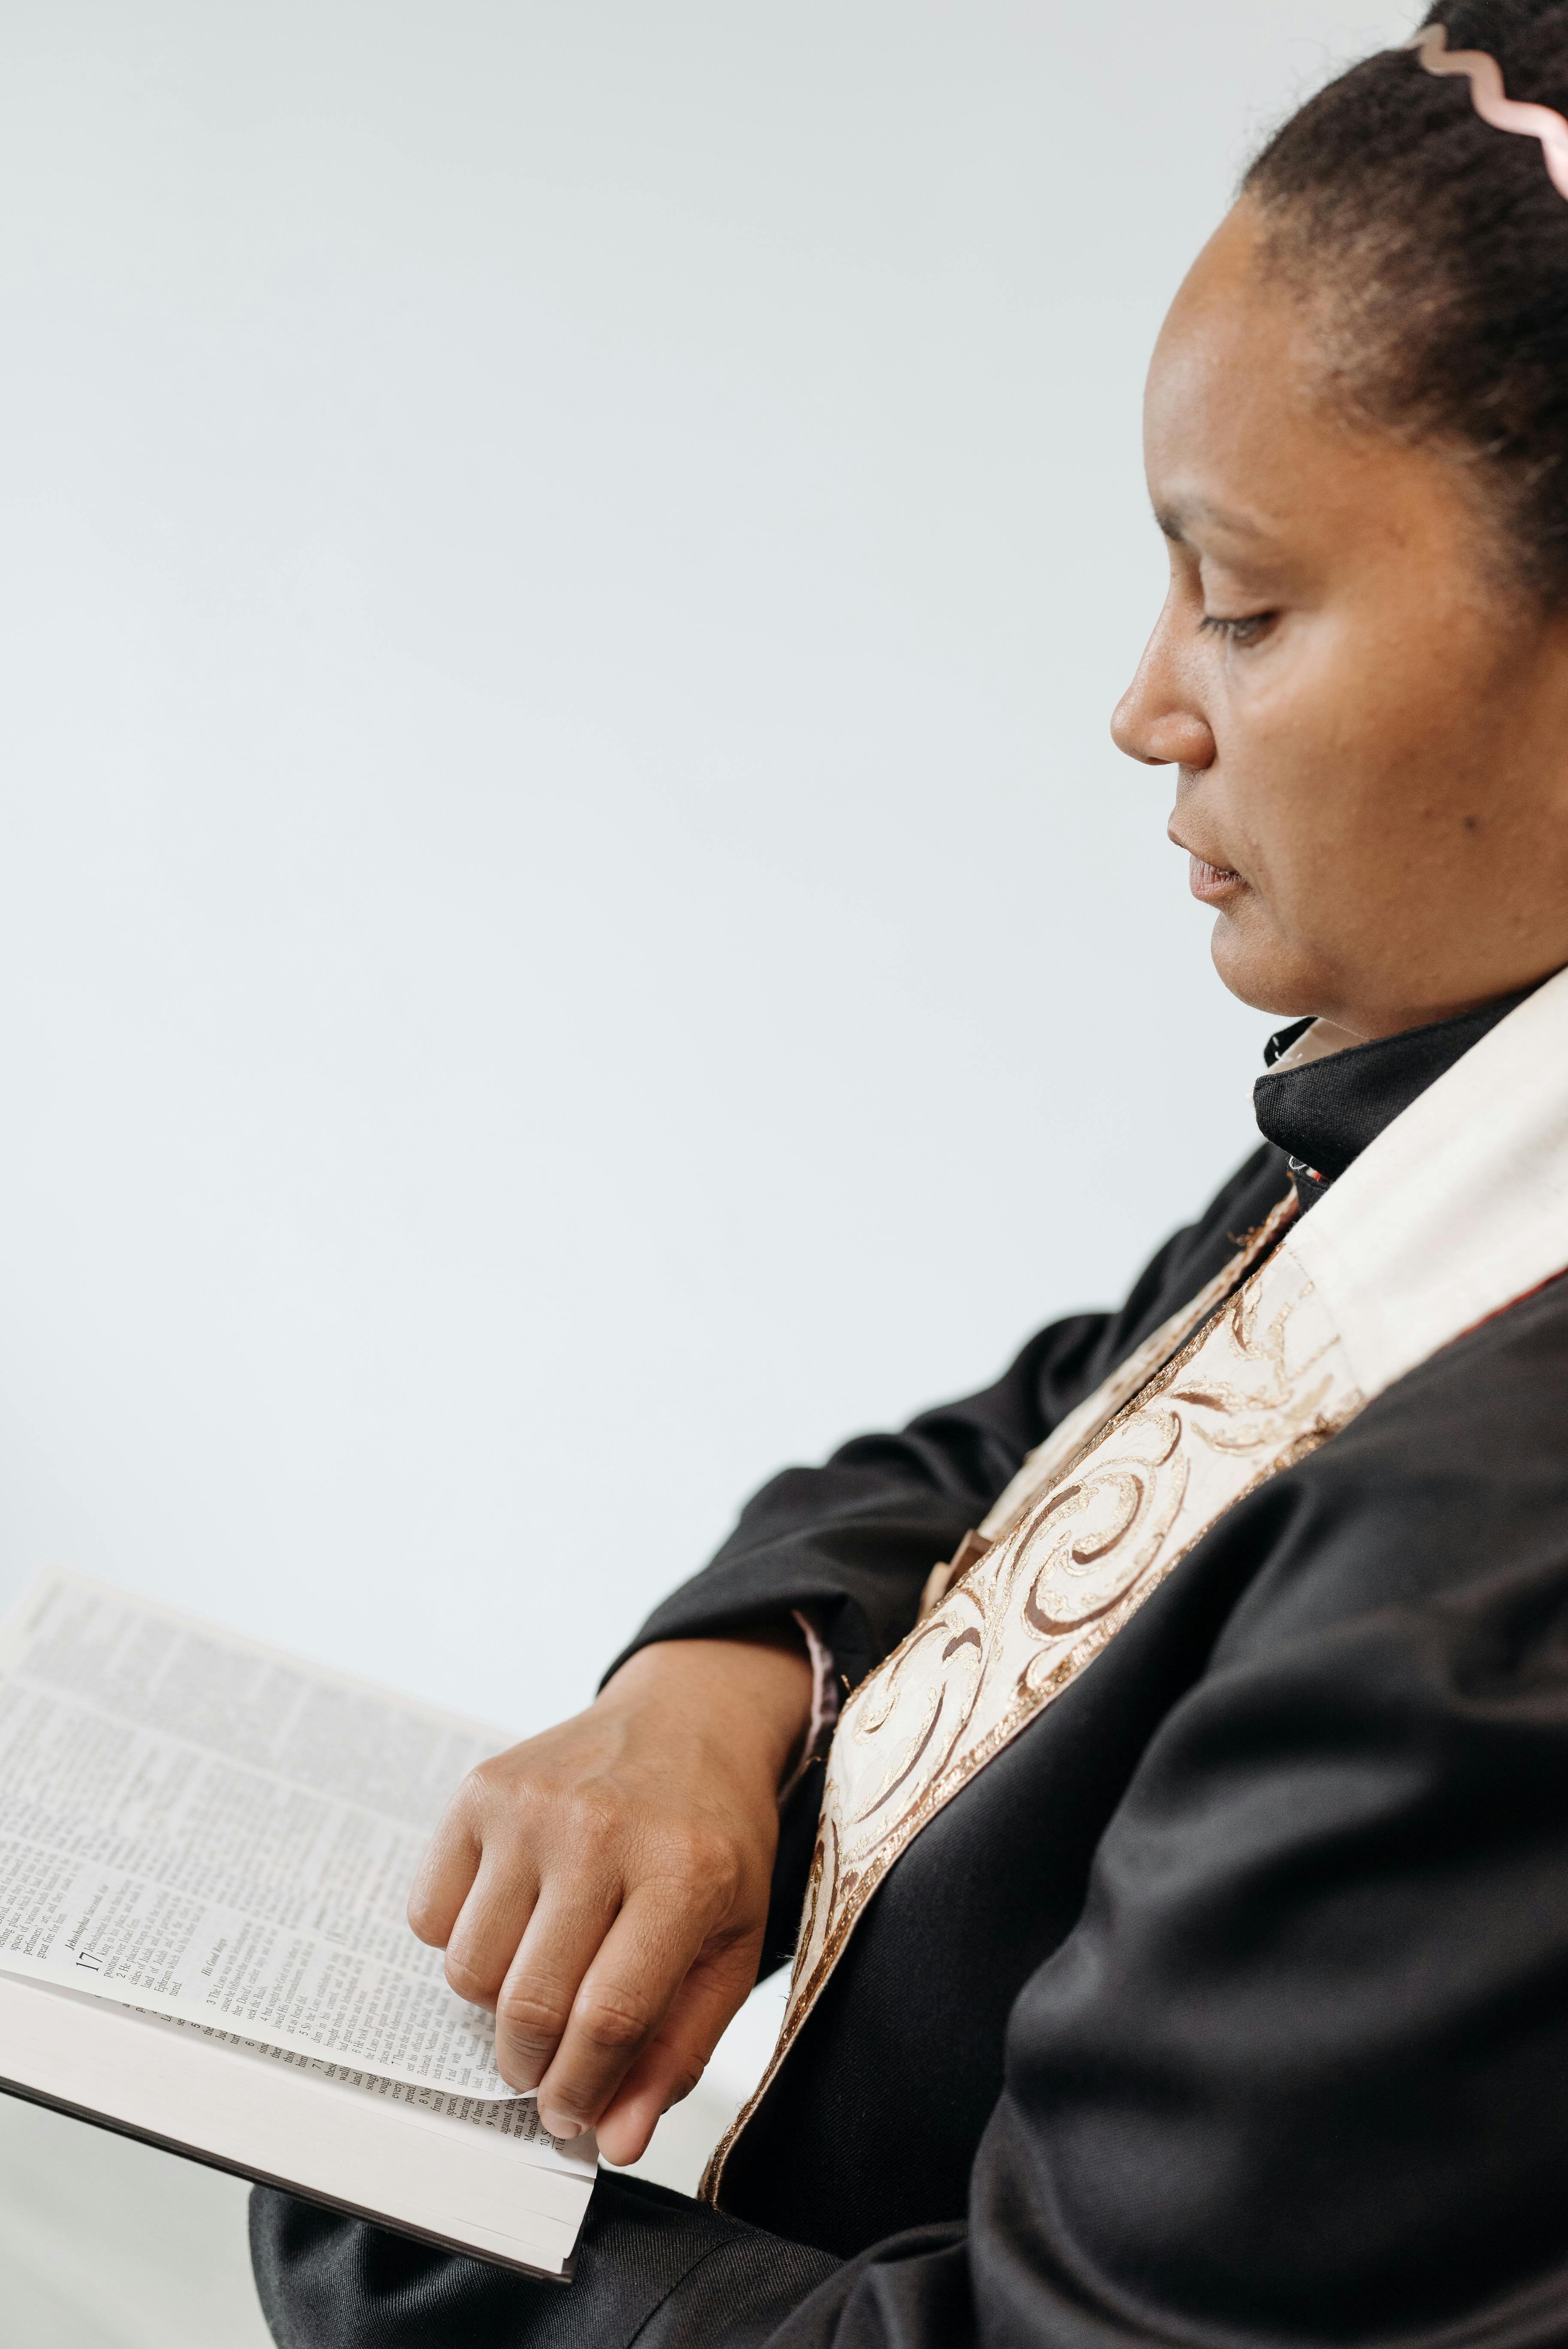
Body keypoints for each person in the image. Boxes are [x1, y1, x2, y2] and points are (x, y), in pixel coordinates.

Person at [251, 6, 1568, 2342]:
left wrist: (373, 2180)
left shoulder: (1510, 1529)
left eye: (1239, 601)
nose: (1144, 699)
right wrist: (716, 1681)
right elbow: (1049, 1430)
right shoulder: (1447, 1108)